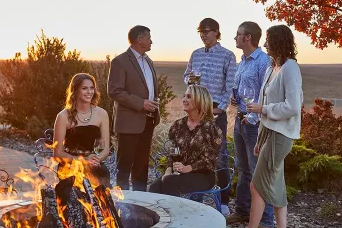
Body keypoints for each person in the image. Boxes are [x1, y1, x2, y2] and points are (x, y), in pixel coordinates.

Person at [244, 25, 303, 228]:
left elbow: (293, 107)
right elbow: (263, 101)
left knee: (256, 185)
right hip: (267, 131)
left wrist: (264, 109)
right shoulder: (271, 68)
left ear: (278, 41)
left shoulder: (290, 68)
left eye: (268, 40)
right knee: (276, 184)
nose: (265, 44)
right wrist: (260, 137)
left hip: (281, 134)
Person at [183, 18, 236, 216]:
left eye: (207, 31)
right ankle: (195, 197)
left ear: (216, 32)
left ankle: (223, 201)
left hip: (215, 113)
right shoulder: (195, 54)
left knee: (219, 158)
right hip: (195, 111)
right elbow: (186, 76)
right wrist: (191, 79)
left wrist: (220, 108)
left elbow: (230, 85)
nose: (204, 35)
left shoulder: (227, 56)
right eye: (201, 32)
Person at [226, 22, 274, 228]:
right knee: (243, 168)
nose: (234, 38)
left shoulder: (264, 62)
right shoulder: (242, 61)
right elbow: (242, 90)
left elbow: (268, 94)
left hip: (255, 124)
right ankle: (243, 211)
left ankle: (266, 219)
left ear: (248, 37)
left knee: (258, 172)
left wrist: (254, 117)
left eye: (238, 34)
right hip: (240, 119)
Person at [107, 25, 160, 191]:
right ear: (139, 39)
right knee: (124, 167)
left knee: (142, 166)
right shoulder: (120, 61)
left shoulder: (148, 61)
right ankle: (121, 205)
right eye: (149, 38)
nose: (151, 41)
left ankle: (141, 202)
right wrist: (141, 103)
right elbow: (114, 91)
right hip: (128, 123)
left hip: (148, 121)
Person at [149, 85, 222, 196]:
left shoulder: (211, 128)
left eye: (189, 97)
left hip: (204, 175)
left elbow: (210, 159)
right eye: (184, 96)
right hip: (180, 173)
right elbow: (173, 152)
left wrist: (189, 168)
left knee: (170, 183)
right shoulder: (178, 125)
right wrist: (169, 170)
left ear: (199, 101)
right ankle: (158, 213)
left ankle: (174, 213)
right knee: (154, 187)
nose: (184, 99)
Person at [53, 73, 111, 186]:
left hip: (94, 166)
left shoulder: (102, 114)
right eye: (84, 88)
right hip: (70, 168)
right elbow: (57, 154)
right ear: (75, 91)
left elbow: (105, 150)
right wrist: (82, 161)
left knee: (103, 196)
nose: (89, 92)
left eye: (91, 88)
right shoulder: (63, 116)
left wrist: (96, 160)